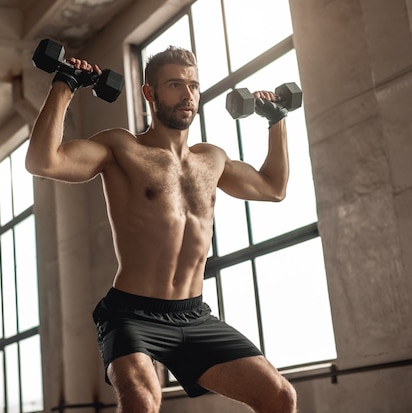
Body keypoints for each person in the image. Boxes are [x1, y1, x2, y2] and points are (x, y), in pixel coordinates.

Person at [26, 45, 297, 413]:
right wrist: (66, 83)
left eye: (194, 86)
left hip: (194, 314)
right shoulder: (122, 147)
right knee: (142, 403)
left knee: (280, 396)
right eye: (175, 85)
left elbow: (273, 188)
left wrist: (276, 118)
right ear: (149, 93)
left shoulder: (211, 159)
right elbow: (44, 160)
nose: (188, 94)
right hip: (131, 315)